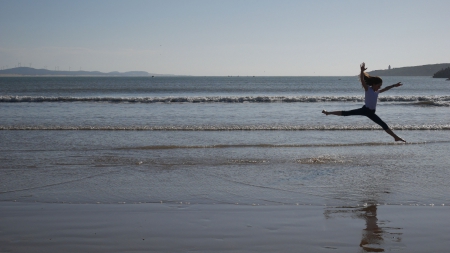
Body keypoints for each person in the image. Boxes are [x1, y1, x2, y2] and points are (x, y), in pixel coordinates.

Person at [322, 62, 406, 142]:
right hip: (366, 110)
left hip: (370, 112)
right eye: (378, 85)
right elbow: (362, 80)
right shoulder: (368, 89)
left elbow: (386, 88)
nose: (379, 87)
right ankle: (328, 113)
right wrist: (362, 71)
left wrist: (394, 85)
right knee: (347, 113)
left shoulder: (377, 92)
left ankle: (395, 137)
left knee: (382, 124)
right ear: (373, 84)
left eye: (380, 86)